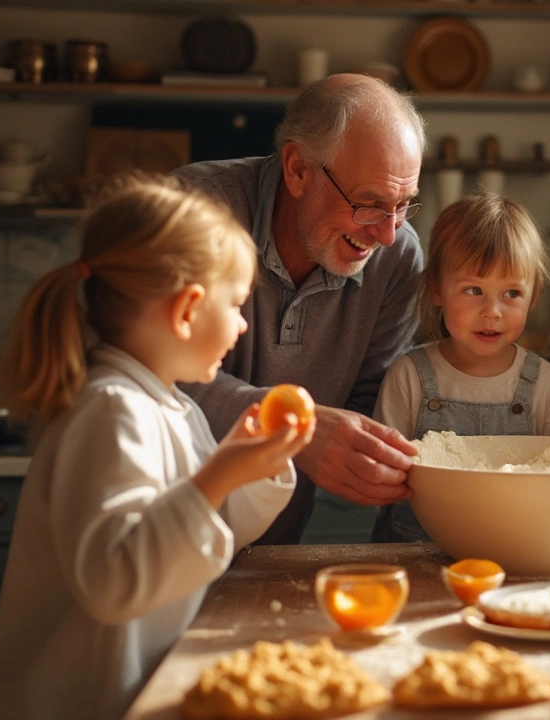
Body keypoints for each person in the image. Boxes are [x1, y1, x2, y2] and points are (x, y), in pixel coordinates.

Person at [0, 177, 313, 720]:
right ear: (187, 311)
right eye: (236, 305)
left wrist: (255, 467)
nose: (242, 325)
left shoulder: (172, 407)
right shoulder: (109, 412)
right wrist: (218, 475)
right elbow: (114, 582)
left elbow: (212, 530)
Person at [171, 74, 426, 543]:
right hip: (155, 542)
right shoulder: (191, 212)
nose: (387, 233)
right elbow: (147, 377)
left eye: (404, 205)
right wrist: (298, 427)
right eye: (369, 203)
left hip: (271, 548)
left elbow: (372, 397)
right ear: (297, 168)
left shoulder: (398, 257)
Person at [371, 191, 550, 541]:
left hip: (516, 552)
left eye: (511, 294)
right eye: (473, 290)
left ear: (534, 295)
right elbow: (380, 480)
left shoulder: (546, 384)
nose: (492, 311)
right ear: (436, 289)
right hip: (411, 556)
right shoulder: (408, 378)